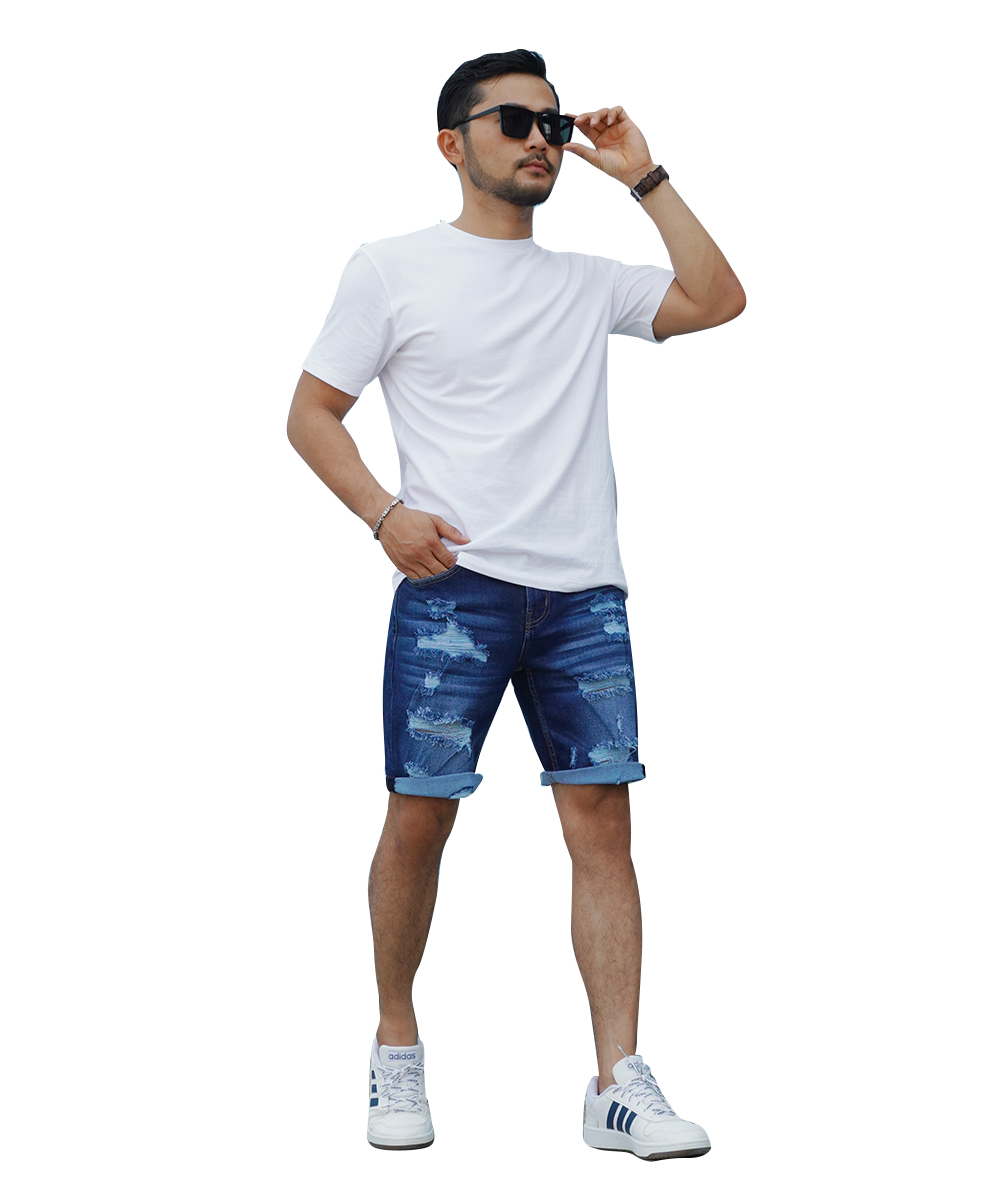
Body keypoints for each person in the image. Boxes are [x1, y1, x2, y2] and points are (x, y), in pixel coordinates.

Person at [287, 48, 744, 1160]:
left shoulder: (586, 281)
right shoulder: (391, 269)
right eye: (513, 121)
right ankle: (396, 1042)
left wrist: (641, 175)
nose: (541, 139)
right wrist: (383, 515)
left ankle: (617, 1082)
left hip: (584, 597)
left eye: (553, 123)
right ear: (453, 143)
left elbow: (718, 299)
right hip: (455, 592)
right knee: (421, 815)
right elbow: (310, 412)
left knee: (603, 828)